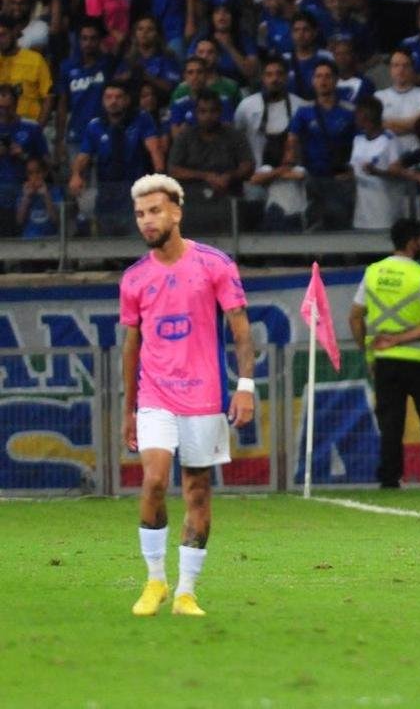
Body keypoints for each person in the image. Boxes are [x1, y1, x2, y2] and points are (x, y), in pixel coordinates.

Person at [122, 174, 255, 617]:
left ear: (176, 212)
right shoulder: (135, 278)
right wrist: (128, 409)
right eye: (140, 214)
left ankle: (186, 591)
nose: (147, 221)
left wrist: (246, 388)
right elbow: (131, 345)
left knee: (197, 492)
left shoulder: (215, 264)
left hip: (204, 397)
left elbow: (240, 329)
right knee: (155, 481)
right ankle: (154, 580)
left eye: (155, 210)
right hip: (154, 396)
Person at [349, 218, 420, 489]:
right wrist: (400, 339)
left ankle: (389, 477)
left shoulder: (372, 272)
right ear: (413, 242)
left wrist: (368, 351)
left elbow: (354, 317)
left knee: (390, 422)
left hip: (385, 361)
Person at [70, 83, 165, 237]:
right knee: (107, 237)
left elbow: (154, 149)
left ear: (127, 100)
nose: (113, 101)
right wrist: (76, 175)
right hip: (107, 191)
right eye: (108, 97)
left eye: (118, 97)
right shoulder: (95, 125)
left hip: (136, 190)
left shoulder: (141, 119)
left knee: (136, 238)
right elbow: (83, 156)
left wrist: (159, 176)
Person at [167, 89, 254, 235]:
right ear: (196, 113)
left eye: (213, 111)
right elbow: (173, 169)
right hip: (192, 204)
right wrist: (206, 176)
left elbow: (248, 165)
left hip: (229, 200)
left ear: (220, 112)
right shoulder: (185, 136)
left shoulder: (234, 135)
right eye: (203, 111)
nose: (208, 116)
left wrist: (230, 176)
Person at [236, 55, 307, 232]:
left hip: (290, 179)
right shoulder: (247, 106)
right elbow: (237, 141)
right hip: (255, 180)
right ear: (262, 77)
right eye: (269, 74)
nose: (274, 79)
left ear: (286, 76)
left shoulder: (301, 106)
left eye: (279, 74)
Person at [284, 60, 357, 230]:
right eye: (318, 76)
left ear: (336, 80)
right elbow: (292, 140)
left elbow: (359, 143)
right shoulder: (304, 111)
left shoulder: (349, 111)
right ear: (313, 81)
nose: (323, 81)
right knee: (313, 225)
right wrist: (291, 164)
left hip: (340, 180)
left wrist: (352, 170)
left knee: (341, 225)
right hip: (313, 178)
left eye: (327, 76)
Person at [55, 17, 113, 171]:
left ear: (100, 40)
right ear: (78, 40)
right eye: (84, 38)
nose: (88, 43)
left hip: (104, 132)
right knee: (79, 186)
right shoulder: (67, 67)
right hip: (77, 134)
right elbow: (62, 104)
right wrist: (60, 139)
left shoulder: (108, 65)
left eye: (93, 38)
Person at [350, 95, 407, 230]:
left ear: (367, 116)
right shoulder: (358, 140)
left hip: (384, 213)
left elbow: (398, 173)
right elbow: (354, 169)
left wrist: (377, 172)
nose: (355, 116)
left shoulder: (389, 140)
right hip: (362, 215)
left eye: (358, 113)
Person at [0, 83, 48, 237]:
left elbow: (46, 161)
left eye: (8, 107)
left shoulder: (31, 127)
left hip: (25, 189)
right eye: (0, 107)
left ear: (16, 104)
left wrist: (24, 154)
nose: (3, 111)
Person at [375, 48, 420, 154]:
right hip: (387, 156)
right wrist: (411, 126)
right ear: (390, 69)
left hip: (417, 154)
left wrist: (388, 123)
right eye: (396, 65)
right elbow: (376, 127)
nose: (401, 70)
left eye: (406, 65)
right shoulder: (378, 96)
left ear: (412, 68)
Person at [0, 15, 52, 124]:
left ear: (14, 32)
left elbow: (48, 97)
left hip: (29, 124)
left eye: (3, 35)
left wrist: (38, 129)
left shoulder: (35, 59)